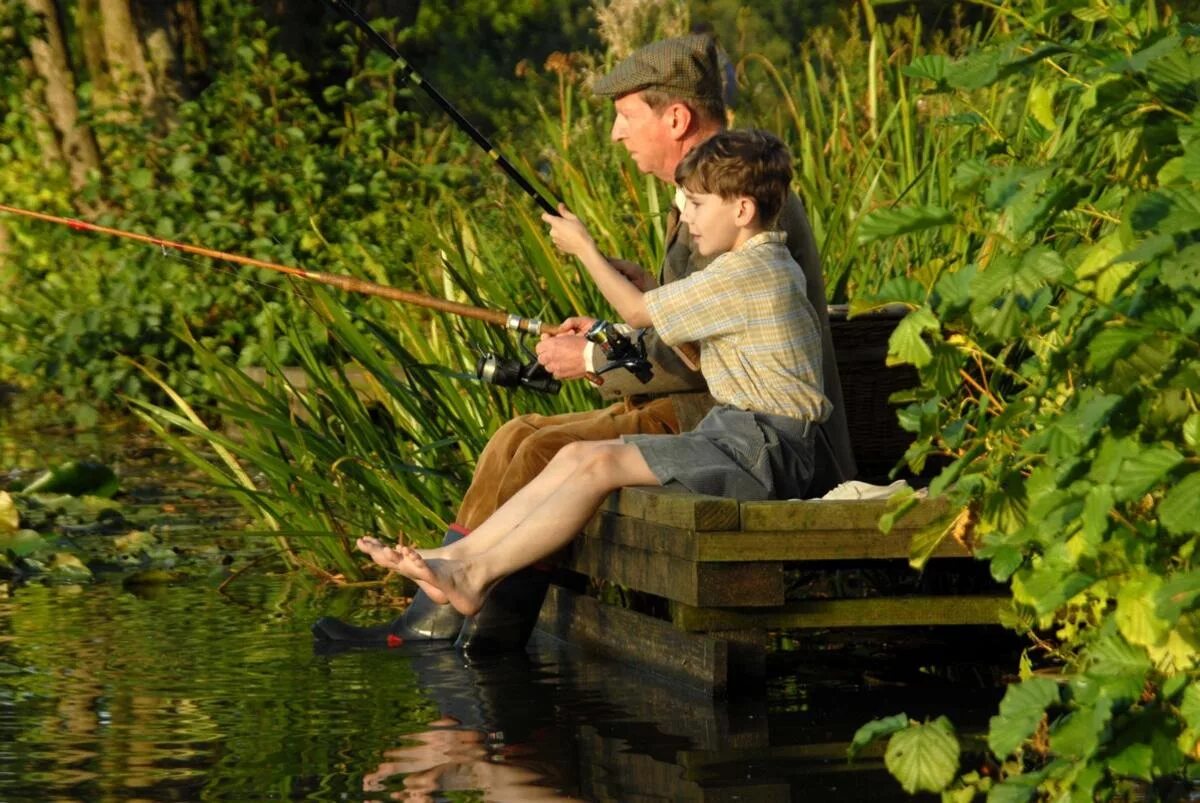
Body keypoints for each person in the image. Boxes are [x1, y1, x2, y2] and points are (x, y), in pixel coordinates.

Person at [312, 34, 854, 649]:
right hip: (721, 419)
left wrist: (594, 353)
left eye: (625, 117)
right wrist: (613, 328)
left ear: (675, 118)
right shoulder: (722, 197)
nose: (616, 136)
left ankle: (471, 629)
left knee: (542, 449)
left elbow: (698, 354)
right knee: (519, 435)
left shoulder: (736, 205)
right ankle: (450, 583)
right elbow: (699, 323)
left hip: (736, 426)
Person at [356, 128, 829, 617]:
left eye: (695, 203)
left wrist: (585, 250)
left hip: (768, 450)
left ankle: (474, 577)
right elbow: (681, 340)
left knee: (598, 466)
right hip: (738, 435)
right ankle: (457, 557)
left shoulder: (752, 272)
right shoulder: (745, 265)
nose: (685, 217)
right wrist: (607, 329)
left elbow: (644, 313)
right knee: (576, 456)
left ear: (742, 211)